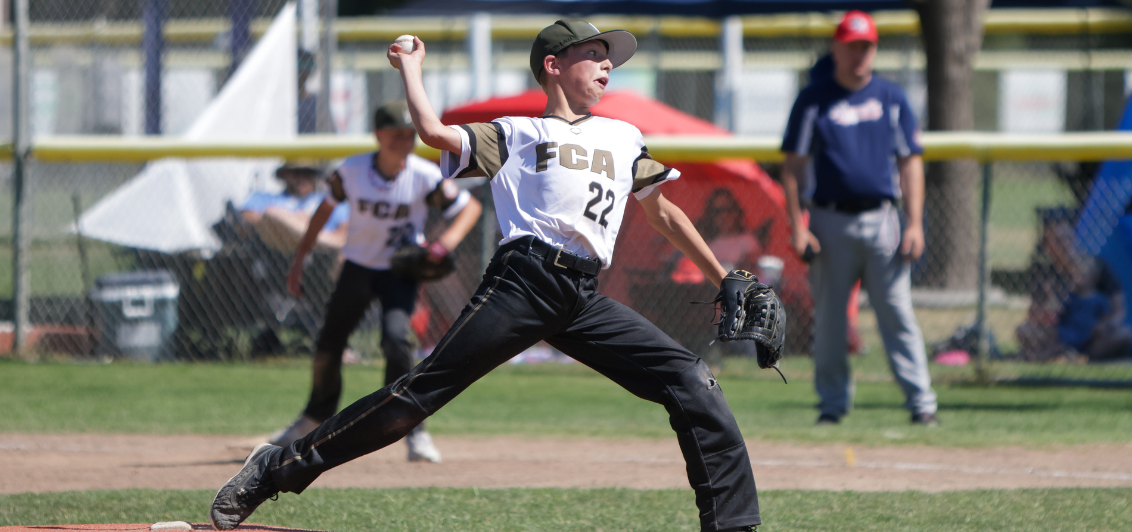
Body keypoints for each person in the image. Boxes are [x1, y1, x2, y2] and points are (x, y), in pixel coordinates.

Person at [210, 19, 763, 532]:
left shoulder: (623, 137)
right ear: (553, 64)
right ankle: (275, 470)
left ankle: (733, 526)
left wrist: (723, 275)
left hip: (582, 295)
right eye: (593, 55)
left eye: (608, 59)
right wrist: (411, 70)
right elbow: (431, 131)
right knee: (413, 400)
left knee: (694, 382)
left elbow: (662, 211)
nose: (605, 66)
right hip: (522, 282)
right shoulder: (516, 132)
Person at [264, 100, 483, 465]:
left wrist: (444, 244)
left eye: (409, 134)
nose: (405, 141)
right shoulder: (352, 171)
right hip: (358, 267)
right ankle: (314, 416)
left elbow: (468, 209)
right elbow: (324, 209)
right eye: (396, 134)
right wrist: (301, 256)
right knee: (329, 343)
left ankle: (412, 427)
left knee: (397, 340)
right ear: (378, 135)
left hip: (399, 271)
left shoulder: (422, 174)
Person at [779, 10, 939, 427]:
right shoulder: (814, 99)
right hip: (829, 221)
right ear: (836, 48)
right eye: (851, 46)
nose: (859, 55)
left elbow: (911, 162)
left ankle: (922, 403)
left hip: (883, 219)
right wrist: (798, 224)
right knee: (831, 320)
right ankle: (832, 405)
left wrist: (916, 222)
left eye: (866, 46)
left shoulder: (890, 96)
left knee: (898, 313)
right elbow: (793, 166)